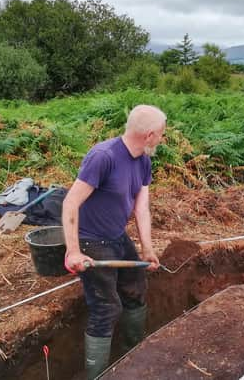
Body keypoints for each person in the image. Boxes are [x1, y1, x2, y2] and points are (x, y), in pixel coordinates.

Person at [62, 105, 166, 379]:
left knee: (136, 290)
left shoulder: (143, 160)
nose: (162, 140)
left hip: (117, 237)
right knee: (107, 308)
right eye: (162, 135)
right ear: (149, 134)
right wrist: (72, 251)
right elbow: (70, 203)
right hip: (91, 241)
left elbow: (141, 208)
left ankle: (133, 354)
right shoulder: (103, 157)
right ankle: (96, 375)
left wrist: (147, 248)